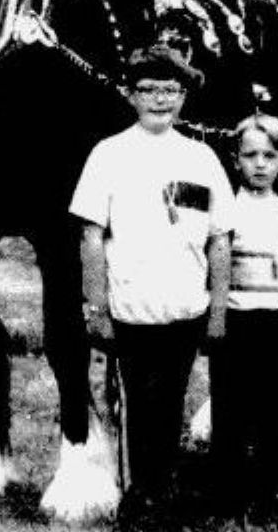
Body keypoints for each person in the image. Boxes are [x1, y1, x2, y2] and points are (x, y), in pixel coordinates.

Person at [70, 44, 235, 518]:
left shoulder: (202, 157)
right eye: (148, 89)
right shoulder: (109, 153)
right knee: (138, 405)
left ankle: (163, 490)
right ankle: (138, 497)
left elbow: (219, 239)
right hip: (130, 308)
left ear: (184, 97)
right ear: (129, 94)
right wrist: (97, 309)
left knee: (171, 401)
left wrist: (217, 313)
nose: (160, 99)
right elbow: (91, 235)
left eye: (170, 90)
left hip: (185, 307)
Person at [209, 114, 278, 510]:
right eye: (250, 155)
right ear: (235, 160)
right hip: (235, 320)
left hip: (277, 321)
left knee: (276, 408)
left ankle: (275, 487)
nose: (261, 164)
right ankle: (228, 487)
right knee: (231, 405)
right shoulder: (226, 209)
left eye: (270, 155)